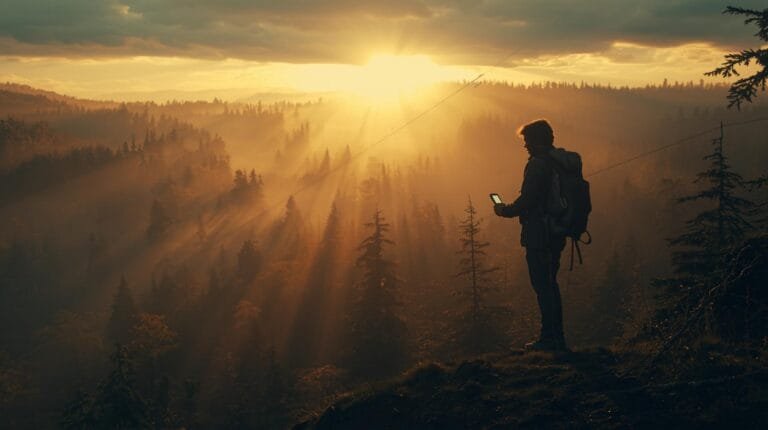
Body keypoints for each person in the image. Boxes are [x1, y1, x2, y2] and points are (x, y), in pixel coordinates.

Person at [493, 119, 567, 351]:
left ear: (536, 141)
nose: (525, 146)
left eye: (527, 141)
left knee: (543, 285)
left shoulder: (538, 165)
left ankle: (549, 339)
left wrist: (504, 210)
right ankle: (556, 338)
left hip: (540, 234)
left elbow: (528, 200)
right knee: (551, 284)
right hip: (557, 232)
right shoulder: (559, 162)